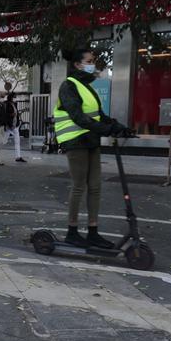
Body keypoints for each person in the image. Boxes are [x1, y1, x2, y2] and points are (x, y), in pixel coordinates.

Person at [55, 48, 132, 248]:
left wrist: (118, 127)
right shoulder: (69, 86)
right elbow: (78, 117)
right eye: (89, 61)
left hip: (91, 141)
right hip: (75, 141)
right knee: (79, 186)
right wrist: (106, 130)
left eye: (93, 61)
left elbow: (98, 115)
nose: (93, 64)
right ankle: (72, 231)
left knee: (95, 187)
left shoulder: (88, 87)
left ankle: (93, 231)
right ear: (78, 65)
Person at [3, 83, 26, 163]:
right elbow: (6, 114)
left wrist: (17, 115)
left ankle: (18, 156)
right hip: (9, 126)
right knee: (3, 141)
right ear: (11, 98)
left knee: (17, 141)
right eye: (14, 97)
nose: (15, 98)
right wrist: (11, 115)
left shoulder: (14, 104)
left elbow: (15, 114)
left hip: (14, 125)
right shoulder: (7, 104)